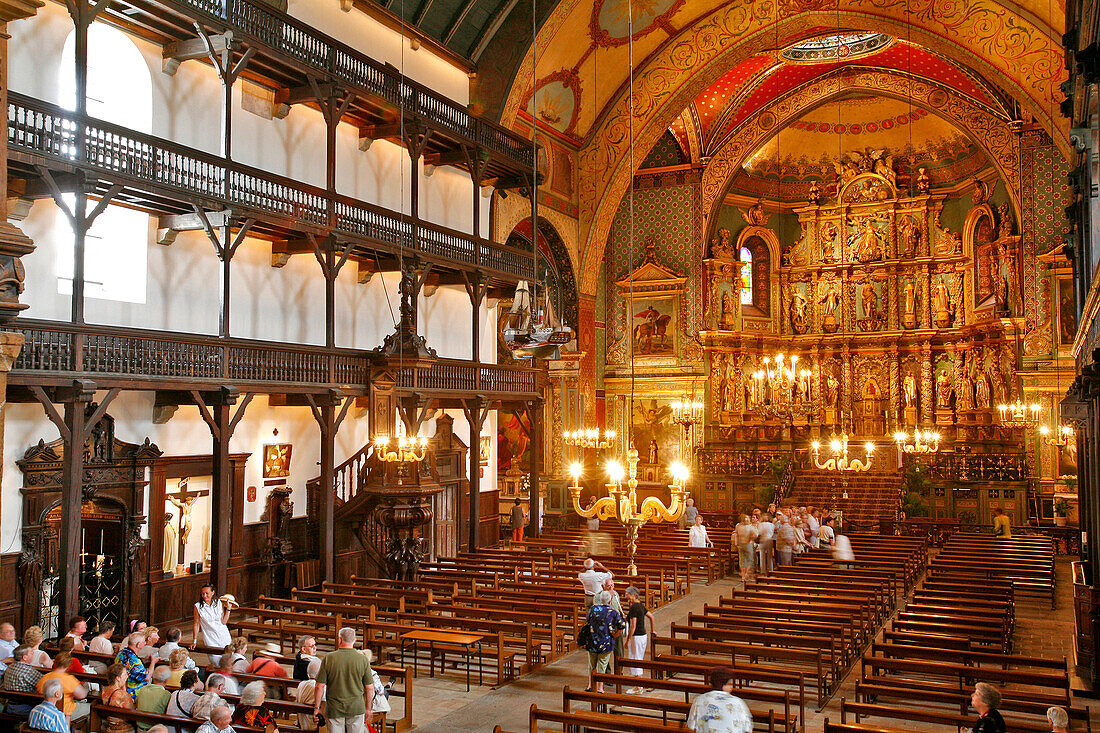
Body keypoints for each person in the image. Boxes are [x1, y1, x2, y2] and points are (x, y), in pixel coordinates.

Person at [314, 627, 373, 733]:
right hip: (356, 707)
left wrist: (317, 707)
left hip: (334, 708)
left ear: (339, 639)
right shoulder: (363, 659)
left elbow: (319, 686)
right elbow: (369, 688)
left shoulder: (329, 658)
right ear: (355, 640)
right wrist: (368, 708)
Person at [686, 667, 754, 733]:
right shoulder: (738, 702)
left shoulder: (699, 700)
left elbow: (691, 725)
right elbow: (747, 728)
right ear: (725, 685)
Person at [583, 590, 625, 694]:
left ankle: (590, 685)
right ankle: (600, 687)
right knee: (602, 664)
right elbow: (621, 625)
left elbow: (588, 622)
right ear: (610, 600)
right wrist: (615, 635)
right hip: (605, 642)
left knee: (591, 665)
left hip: (592, 641)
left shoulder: (593, 609)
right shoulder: (612, 612)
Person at [37, 651, 89, 722]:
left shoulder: (44, 678)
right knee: (90, 708)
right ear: (68, 666)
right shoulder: (69, 679)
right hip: (65, 711)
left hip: (46, 711)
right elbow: (82, 695)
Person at [623, 586, 654, 694]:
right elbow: (651, 616)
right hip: (643, 635)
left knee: (635, 659)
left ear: (634, 595)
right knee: (638, 658)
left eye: (628, 597)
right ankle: (638, 684)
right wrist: (652, 630)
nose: (627, 599)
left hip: (636, 637)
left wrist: (627, 640)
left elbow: (633, 626)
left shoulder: (634, 607)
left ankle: (638, 686)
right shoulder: (640, 606)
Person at [192, 585, 233, 662]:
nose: (204, 596)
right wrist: (194, 640)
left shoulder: (219, 603)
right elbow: (196, 624)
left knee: (228, 661)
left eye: (207, 593)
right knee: (215, 662)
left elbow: (224, 622)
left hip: (223, 635)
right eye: (203, 594)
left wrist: (228, 609)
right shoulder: (198, 606)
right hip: (210, 638)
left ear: (212, 593)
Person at [1, 644, 43, 714]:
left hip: (9, 705)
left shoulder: (9, 667)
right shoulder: (28, 671)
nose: (33, 654)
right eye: (31, 653)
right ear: (24, 657)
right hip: (26, 707)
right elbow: (43, 683)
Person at [101, 662, 136, 733]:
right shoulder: (122, 695)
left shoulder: (105, 690)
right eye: (125, 674)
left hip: (110, 727)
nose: (127, 677)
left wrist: (123, 686)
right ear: (118, 678)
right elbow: (132, 712)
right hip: (123, 729)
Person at [114, 631, 151, 699]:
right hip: (132, 692)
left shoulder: (121, 653)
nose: (145, 643)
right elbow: (146, 678)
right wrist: (153, 663)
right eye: (144, 642)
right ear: (138, 645)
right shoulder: (134, 660)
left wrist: (144, 661)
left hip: (119, 688)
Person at [134, 666, 172, 731]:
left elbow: (136, 704)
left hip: (139, 729)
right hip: (155, 730)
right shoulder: (166, 694)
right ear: (166, 680)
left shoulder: (142, 690)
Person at [295, 658, 322, 730]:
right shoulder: (321, 688)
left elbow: (297, 701)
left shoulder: (301, 684)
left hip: (302, 724)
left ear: (308, 674)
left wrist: (298, 720)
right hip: (315, 726)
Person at [734, 516, 758, 582]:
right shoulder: (751, 527)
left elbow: (736, 534)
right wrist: (750, 539)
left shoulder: (738, 526)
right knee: (749, 560)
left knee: (742, 560)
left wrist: (736, 543)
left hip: (740, 544)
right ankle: (747, 575)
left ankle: (743, 576)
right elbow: (756, 535)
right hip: (748, 544)